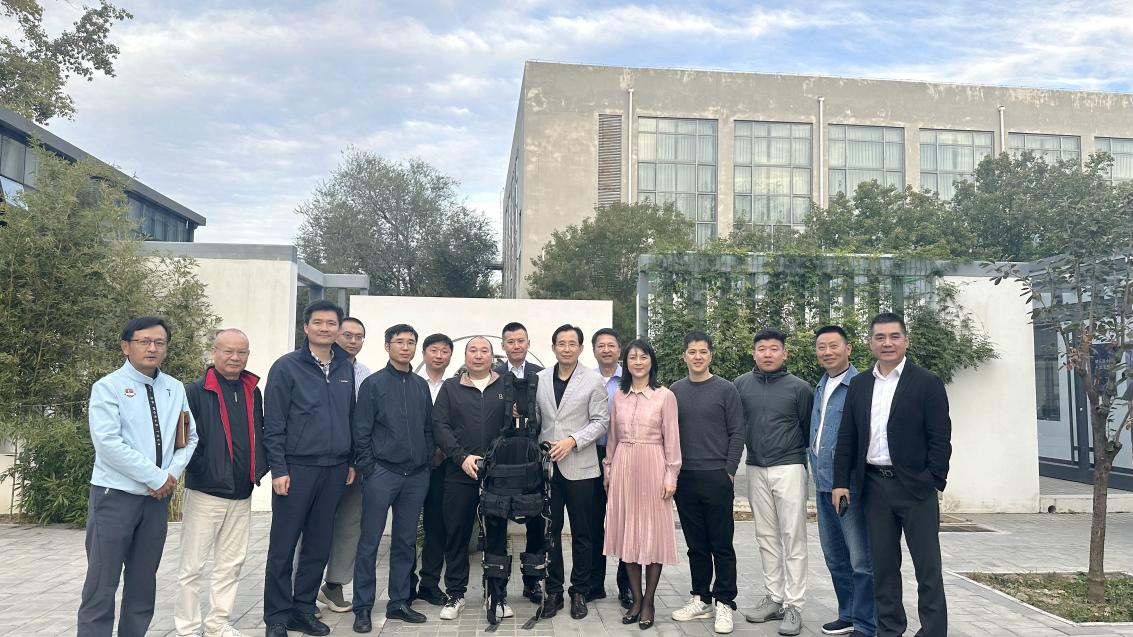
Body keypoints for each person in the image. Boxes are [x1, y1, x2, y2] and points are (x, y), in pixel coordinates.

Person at [79, 316, 199, 637]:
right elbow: (108, 443)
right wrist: (154, 477)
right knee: (101, 583)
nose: (152, 348)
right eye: (144, 342)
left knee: (143, 583)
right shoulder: (108, 387)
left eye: (159, 342)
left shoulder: (174, 388)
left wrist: (169, 475)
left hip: (155, 502)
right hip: (114, 498)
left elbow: (188, 438)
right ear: (126, 346)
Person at [833, 312, 951, 637]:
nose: (887, 343)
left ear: (905, 341)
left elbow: (940, 438)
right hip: (874, 488)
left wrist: (933, 480)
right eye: (880, 337)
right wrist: (840, 482)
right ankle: (890, 629)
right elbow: (847, 436)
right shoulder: (860, 385)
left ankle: (933, 631)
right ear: (871, 343)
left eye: (894, 336)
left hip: (916, 489)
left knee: (928, 568)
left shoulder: (926, 382)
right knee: (884, 567)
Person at [262, 300, 355, 637]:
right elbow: (273, 423)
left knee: (318, 545)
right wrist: (278, 469)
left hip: (335, 469)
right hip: (296, 468)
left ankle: (303, 609)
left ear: (338, 329)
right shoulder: (286, 367)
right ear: (306, 327)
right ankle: (276, 616)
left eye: (331, 323)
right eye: (318, 322)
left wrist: (351, 461)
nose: (325, 328)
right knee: (283, 546)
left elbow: (351, 416)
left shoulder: (345, 367)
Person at [175, 328, 267, 637]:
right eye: (228, 351)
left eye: (241, 352)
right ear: (214, 352)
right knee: (192, 566)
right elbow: (182, 440)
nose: (235, 357)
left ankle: (217, 625)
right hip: (206, 492)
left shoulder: (253, 390)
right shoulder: (194, 391)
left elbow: (258, 432)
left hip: (242, 492)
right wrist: (203, 468)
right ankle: (187, 628)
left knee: (231, 564)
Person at [352, 324, 434, 631]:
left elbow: (427, 428)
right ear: (387, 346)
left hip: (415, 476)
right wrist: (369, 468)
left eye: (411, 342)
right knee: (370, 541)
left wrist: (426, 462)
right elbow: (361, 430)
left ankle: (399, 602)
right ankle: (362, 607)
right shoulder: (373, 384)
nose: (405, 347)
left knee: (405, 541)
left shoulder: (420, 385)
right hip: (381, 473)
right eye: (399, 342)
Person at [735, 327, 814, 637]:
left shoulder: (800, 388)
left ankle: (794, 605)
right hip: (755, 467)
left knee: (793, 536)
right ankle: (774, 598)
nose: (768, 354)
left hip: (790, 466)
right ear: (753, 353)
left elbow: (808, 430)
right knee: (766, 536)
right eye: (762, 349)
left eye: (774, 349)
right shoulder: (741, 385)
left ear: (785, 353)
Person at [431, 337, 516, 620]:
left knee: (497, 533)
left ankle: (497, 594)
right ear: (465, 356)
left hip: (497, 474)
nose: (478, 355)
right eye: (473, 350)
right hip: (460, 471)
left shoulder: (506, 386)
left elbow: (517, 426)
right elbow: (440, 426)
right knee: (457, 533)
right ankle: (455, 594)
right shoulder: (451, 387)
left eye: (484, 351)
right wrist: (462, 457)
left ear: (493, 356)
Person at [603, 338, 681, 631]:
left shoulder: (665, 396)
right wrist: (608, 469)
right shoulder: (619, 396)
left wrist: (670, 475)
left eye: (643, 357)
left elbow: (672, 439)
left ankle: (649, 601)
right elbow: (612, 437)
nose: (638, 362)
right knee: (628, 534)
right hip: (623, 465)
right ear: (626, 363)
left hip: (653, 464)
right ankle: (635, 600)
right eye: (632, 357)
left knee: (653, 534)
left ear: (651, 361)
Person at [669, 331, 744, 634]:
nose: (697, 356)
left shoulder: (726, 389)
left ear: (711, 354)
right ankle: (701, 598)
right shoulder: (675, 391)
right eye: (692, 352)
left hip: (717, 476)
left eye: (703, 351)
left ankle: (724, 601)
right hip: (686, 477)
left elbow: (737, 431)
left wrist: (729, 470)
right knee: (696, 544)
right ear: (684, 356)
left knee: (721, 544)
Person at [534, 324, 609, 619]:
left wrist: (573, 440)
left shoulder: (593, 380)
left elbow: (601, 421)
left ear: (580, 348)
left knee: (583, 533)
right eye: (561, 343)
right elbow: (539, 419)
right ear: (553, 347)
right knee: (550, 532)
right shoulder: (540, 379)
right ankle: (554, 590)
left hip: (582, 467)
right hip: (548, 468)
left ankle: (579, 590)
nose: (566, 348)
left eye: (572, 343)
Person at [810, 325, 875, 637]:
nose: (827, 352)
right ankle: (847, 614)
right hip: (823, 484)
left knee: (860, 559)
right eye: (821, 347)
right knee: (834, 556)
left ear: (848, 349)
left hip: (849, 487)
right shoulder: (820, 386)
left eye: (833, 346)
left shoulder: (861, 385)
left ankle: (867, 623)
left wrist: (847, 482)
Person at [317, 317, 372, 614]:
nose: (352, 341)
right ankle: (301, 590)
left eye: (358, 336)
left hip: (355, 462)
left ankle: (334, 585)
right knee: (312, 526)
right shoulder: (318, 369)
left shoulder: (365, 374)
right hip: (320, 462)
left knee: (349, 526)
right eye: (347, 335)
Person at [494, 321, 546, 604]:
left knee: (536, 522)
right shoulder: (493, 375)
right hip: (502, 461)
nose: (516, 346)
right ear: (503, 345)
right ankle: (498, 584)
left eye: (520, 341)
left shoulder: (542, 375)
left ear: (528, 343)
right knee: (497, 520)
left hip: (531, 459)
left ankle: (533, 581)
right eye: (511, 341)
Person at [589, 327, 632, 608]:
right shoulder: (585, 379)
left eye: (611, 345)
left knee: (625, 522)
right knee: (593, 522)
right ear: (594, 350)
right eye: (601, 346)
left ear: (619, 349)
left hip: (624, 455)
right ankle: (594, 584)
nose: (606, 350)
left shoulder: (631, 379)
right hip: (590, 455)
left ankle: (626, 586)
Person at [412, 333, 455, 606]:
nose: (439, 355)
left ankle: (429, 583)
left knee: (436, 526)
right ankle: (405, 585)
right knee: (406, 527)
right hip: (413, 465)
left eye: (444, 351)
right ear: (424, 353)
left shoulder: (455, 386)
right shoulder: (413, 383)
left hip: (443, 465)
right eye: (434, 350)